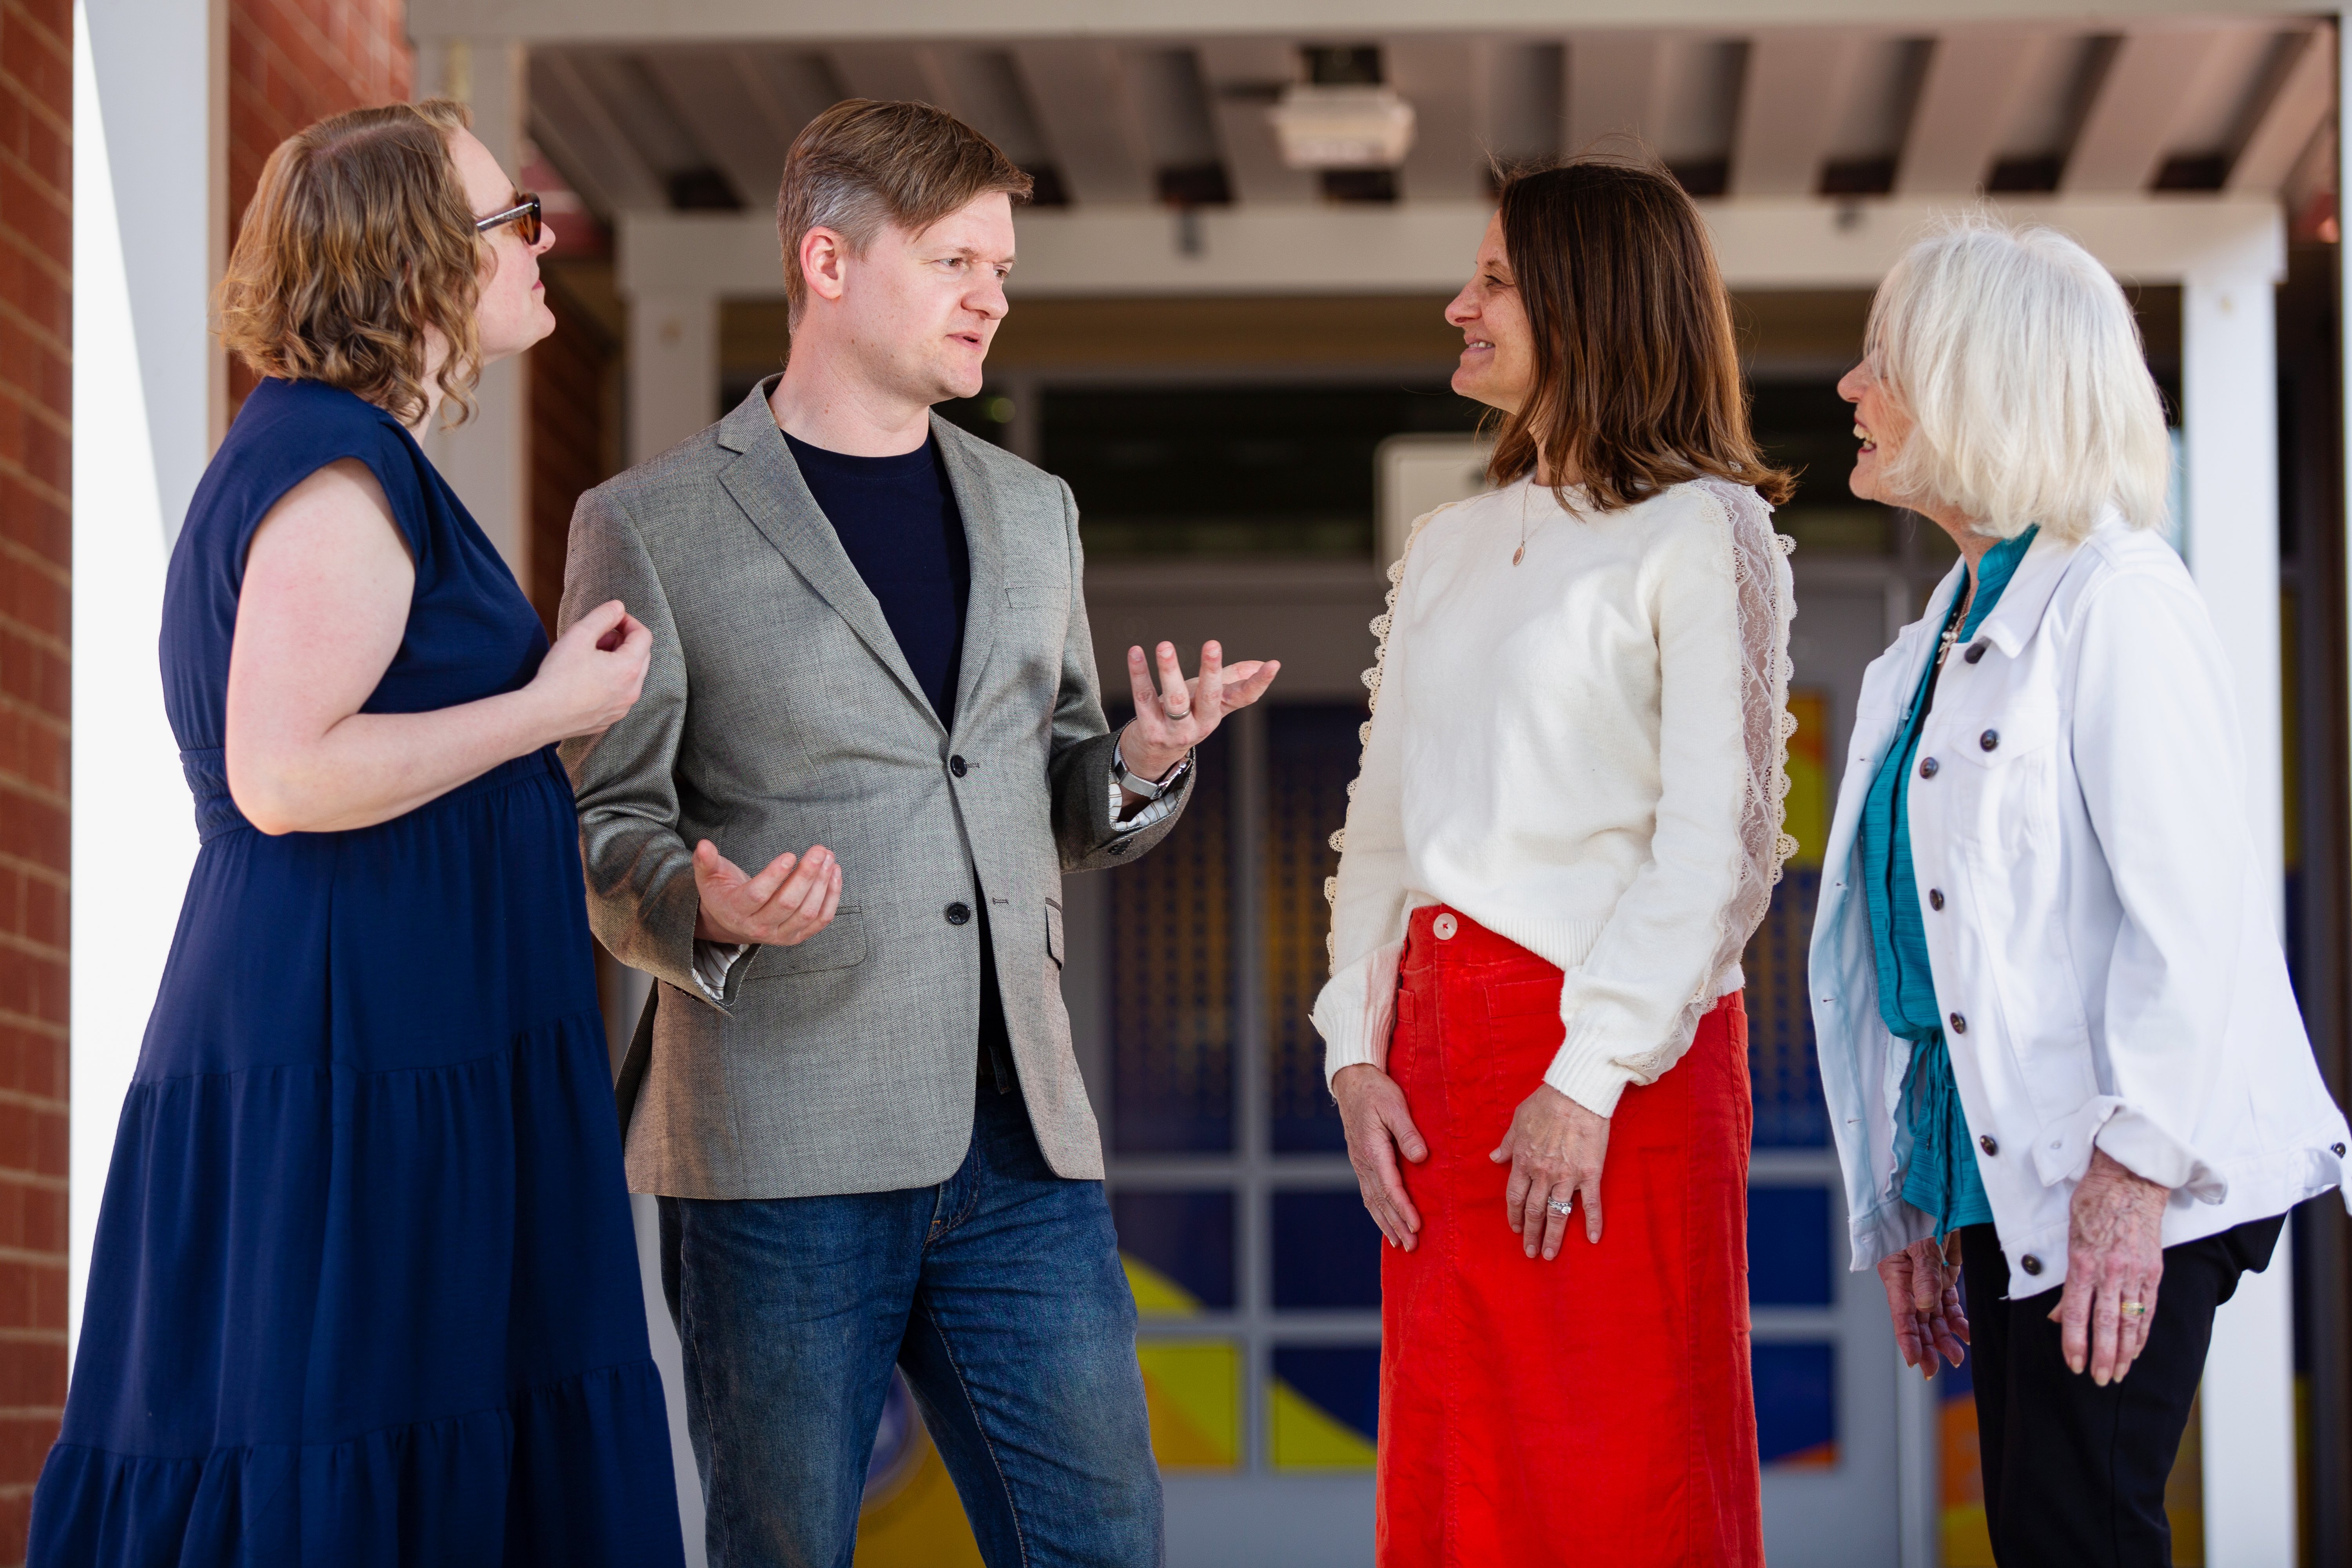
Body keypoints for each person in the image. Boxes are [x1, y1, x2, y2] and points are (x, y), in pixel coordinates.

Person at [559, 98, 1278, 1568]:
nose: (992, 297)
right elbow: (604, 824)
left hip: (1020, 1146)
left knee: (1102, 1542)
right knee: (786, 1548)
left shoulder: (1035, 514)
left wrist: (1141, 759)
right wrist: (703, 908)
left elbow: (1069, 795)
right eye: (957, 260)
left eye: (1001, 268)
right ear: (828, 262)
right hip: (778, 1146)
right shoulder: (653, 521)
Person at [30, 102, 684, 1565]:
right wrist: (551, 707)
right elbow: (285, 774)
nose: (543, 240)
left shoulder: (343, 457)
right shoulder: (336, 473)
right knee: (353, 1427)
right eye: (510, 220)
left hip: (394, 1023)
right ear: (416, 264)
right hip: (360, 1041)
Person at [1810, 216, 2352, 1567]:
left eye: (1883, 359)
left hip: (2136, 1162)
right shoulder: (1939, 633)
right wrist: (1915, 1197)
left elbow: (2197, 917)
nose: (1849, 389)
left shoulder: (2117, 597)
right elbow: (1933, 968)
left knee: (2079, 1534)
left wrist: (2130, 1176)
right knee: (2046, 1532)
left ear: (1978, 381)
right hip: (2010, 1172)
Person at [1318, 157, 1797, 1567]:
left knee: (1626, 1469)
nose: (1458, 305)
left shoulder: (1706, 530)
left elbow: (1723, 852)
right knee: (1456, 1477)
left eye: (1500, 282)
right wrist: (1356, 1052)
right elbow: (1387, 826)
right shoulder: (1449, 541)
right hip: (1436, 1057)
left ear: (1591, 304)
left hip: (1614, 1062)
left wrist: (1585, 1080)